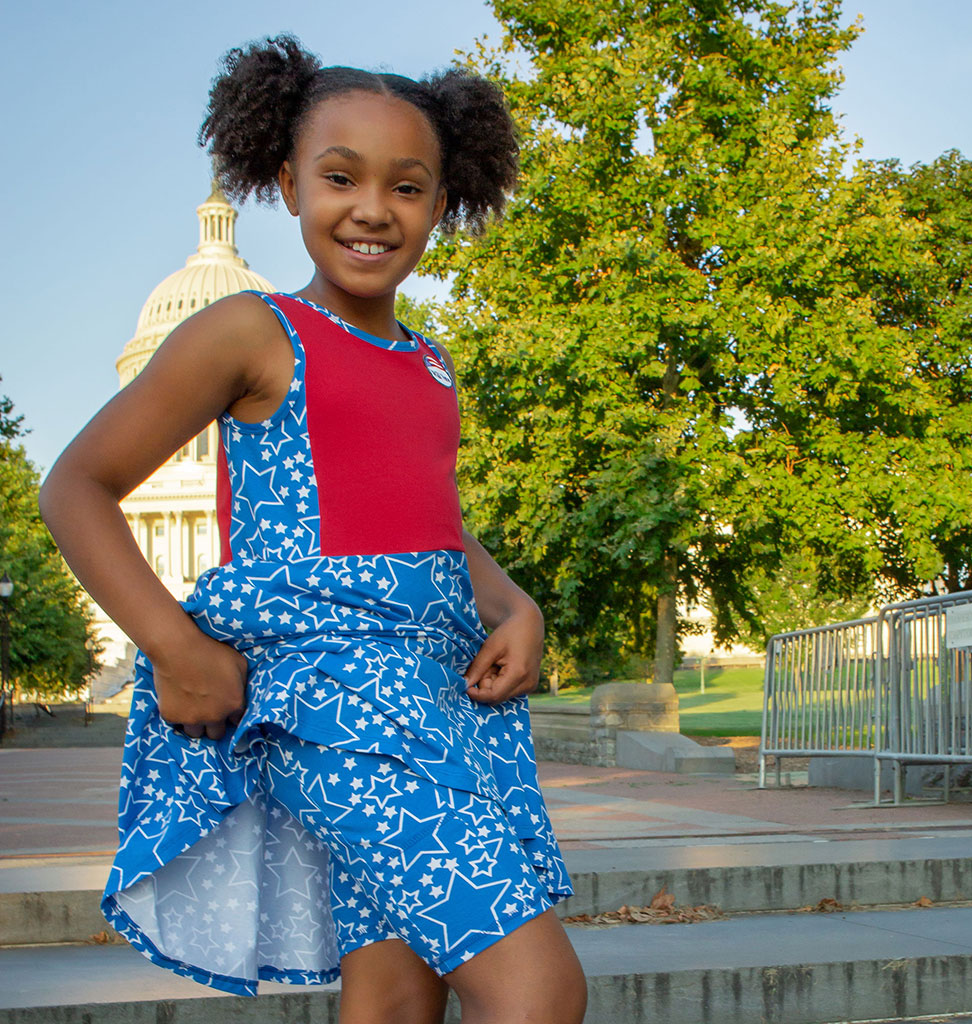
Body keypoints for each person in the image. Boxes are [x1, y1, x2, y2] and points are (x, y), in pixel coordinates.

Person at [39, 34, 587, 1024]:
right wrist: (171, 642)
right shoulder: (254, 330)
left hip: (437, 695)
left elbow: (428, 525)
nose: (373, 208)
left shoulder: (430, 363)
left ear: (444, 199)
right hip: (331, 702)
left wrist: (515, 602)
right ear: (287, 183)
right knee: (537, 990)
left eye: (408, 187)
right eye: (341, 177)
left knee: (393, 993)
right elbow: (76, 482)